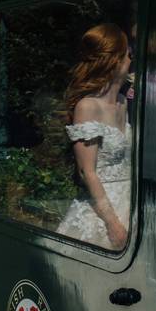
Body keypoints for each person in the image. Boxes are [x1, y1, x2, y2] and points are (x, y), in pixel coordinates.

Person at [57, 23, 133, 250]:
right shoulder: (87, 106)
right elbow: (86, 172)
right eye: (128, 54)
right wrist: (112, 223)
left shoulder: (122, 103)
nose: (131, 60)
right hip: (104, 212)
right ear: (114, 60)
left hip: (131, 202)